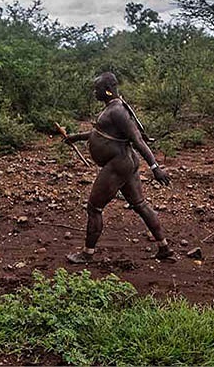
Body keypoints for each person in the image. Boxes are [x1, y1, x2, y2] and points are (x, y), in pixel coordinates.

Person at [63, 72, 174, 263]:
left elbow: (137, 140)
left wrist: (155, 167)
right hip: (125, 163)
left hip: (119, 164)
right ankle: (164, 247)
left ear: (107, 90)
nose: (94, 92)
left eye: (97, 89)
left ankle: (87, 254)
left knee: (94, 207)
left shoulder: (118, 111)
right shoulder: (112, 108)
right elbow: (101, 132)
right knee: (140, 204)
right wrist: (77, 137)